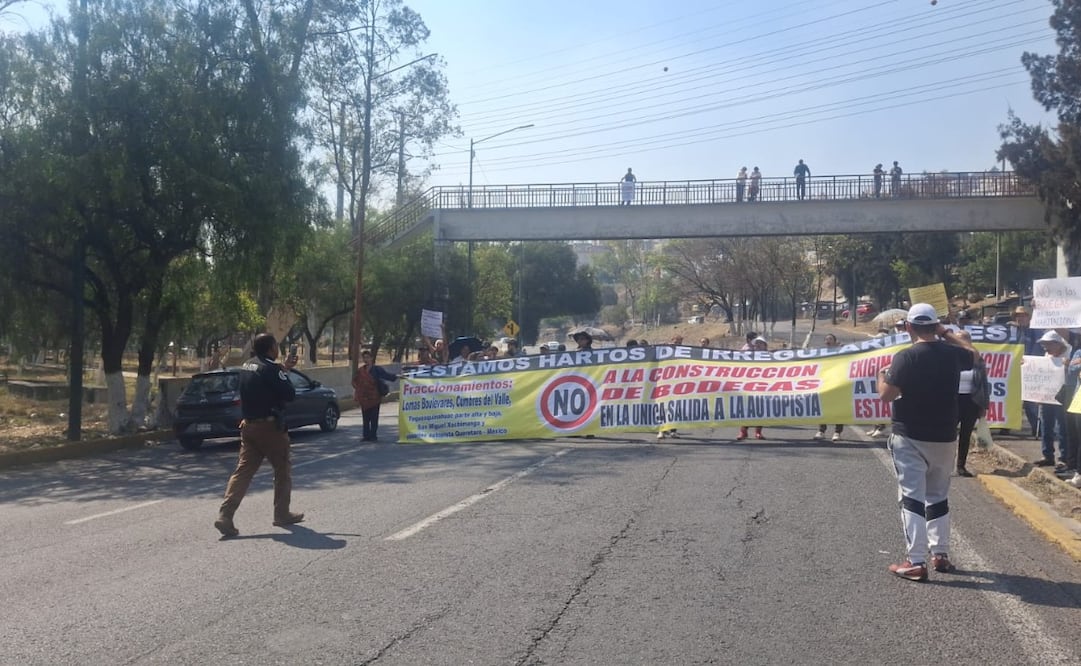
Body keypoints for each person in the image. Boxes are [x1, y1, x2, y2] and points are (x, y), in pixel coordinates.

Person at [878, 303, 978, 581]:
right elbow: (974, 354)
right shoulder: (953, 354)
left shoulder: (905, 358)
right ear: (935, 326)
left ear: (908, 327)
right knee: (938, 495)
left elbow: (886, 395)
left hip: (910, 435)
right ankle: (941, 554)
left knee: (911, 497)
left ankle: (916, 560)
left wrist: (881, 376)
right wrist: (947, 333)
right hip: (945, 435)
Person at [214, 333, 304, 538]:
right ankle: (282, 513)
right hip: (270, 428)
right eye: (277, 346)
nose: (278, 349)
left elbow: (263, 383)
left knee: (243, 472)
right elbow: (289, 394)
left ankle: (225, 515)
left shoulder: (247, 366)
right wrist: (285, 373)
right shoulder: (271, 369)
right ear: (272, 348)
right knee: (282, 470)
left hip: (249, 426)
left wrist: (284, 368)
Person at [1036, 330, 1071, 468]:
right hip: (1047, 395)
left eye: (1048, 344)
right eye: (1044, 344)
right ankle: (1047, 455)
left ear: (1057, 344)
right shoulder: (1048, 355)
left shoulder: (1069, 354)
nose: (1045, 347)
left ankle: (1064, 457)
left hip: (1063, 397)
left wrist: (1068, 365)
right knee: (1046, 425)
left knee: (1062, 427)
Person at [353, 348, 398, 442]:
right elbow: (355, 382)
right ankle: (366, 436)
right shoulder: (361, 371)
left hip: (374, 398)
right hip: (364, 399)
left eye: (367, 357)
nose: (366, 360)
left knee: (374, 418)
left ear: (371, 358)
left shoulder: (377, 369)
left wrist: (396, 377)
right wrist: (358, 393)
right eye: (364, 358)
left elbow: (386, 375)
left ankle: (373, 435)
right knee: (365, 419)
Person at [1011, 306, 1042, 437]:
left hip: (1031, 370)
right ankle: (1006, 426)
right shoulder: (1013, 330)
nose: (1020, 318)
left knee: (1030, 402)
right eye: (1018, 316)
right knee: (1011, 399)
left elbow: (1039, 348)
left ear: (1028, 317)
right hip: (1013, 371)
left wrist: (1029, 361)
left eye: (1023, 315)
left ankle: (1038, 428)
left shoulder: (1035, 331)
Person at [954, 330, 981, 477]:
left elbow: (983, 383)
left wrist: (983, 405)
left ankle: (961, 466)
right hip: (953, 400)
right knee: (949, 434)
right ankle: (944, 463)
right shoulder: (950, 356)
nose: (961, 342)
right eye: (958, 339)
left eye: (964, 339)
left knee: (966, 434)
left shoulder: (976, 358)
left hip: (971, 400)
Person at [737, 337, 769, 441]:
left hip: (764, 388)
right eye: (756, 344)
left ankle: (758, 432)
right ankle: (743, 431)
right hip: (748, 387)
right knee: (746, 409)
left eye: (760, 343)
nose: (757, 345)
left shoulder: (771, 357)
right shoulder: (747, 356)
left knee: (761, 410)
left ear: (765, 346)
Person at [815, 333, 844, 441]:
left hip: (838, 383)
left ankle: (837, 432)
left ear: (835, 341)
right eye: (826, 339)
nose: (828, 340)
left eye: (830, 339)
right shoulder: (821, 353)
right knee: (823, 407)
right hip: (825, 384)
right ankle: (821, 431)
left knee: (839, 408)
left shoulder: (842, 352)